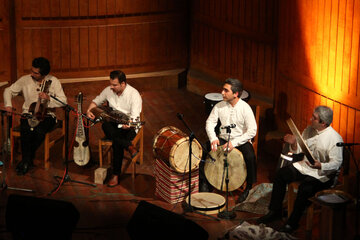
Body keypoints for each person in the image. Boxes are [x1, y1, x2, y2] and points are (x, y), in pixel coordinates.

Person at [256, 106, 343, 233]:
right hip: (306, 166)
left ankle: (292, 223)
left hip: (322, 174)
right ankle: (275, 211)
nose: (310, 119)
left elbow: (337, 163)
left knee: (305, 188)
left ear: (323, 123)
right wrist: (293, 143)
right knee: (281, 174)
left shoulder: (335, 138)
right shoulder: (309, 129)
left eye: (314, 118)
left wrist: (321, 165)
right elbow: (299, 151)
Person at [3, 57, 67, 175]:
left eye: (35, 73)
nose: (31, 74)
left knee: (39, 131)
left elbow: (63, 101)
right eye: (32, 70)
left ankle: (26, 160)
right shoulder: (24, 80)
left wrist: (48, 99)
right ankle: (27, 160)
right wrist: (8, 105)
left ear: (44, 73)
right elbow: (8, 91)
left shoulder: (54, 81)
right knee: (26, 129)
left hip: (47, 115)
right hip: (28, 113)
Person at [202, 78, 257, 203]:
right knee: (205, 149)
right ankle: (205, 182)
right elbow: (210, 123)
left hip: (240, 140)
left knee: (250, 156)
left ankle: (248, 187)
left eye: (226, 91)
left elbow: (252, 130)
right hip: (222, 138)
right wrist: (213, 138)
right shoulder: (219, 106)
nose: (222, 93)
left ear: (236, 94)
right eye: (223, 89)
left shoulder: (245, 108)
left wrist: (234, 143)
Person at [86, 70, 142, 187]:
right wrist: (89, 110)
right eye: (111, 84)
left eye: (114, 85)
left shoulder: (134, 94)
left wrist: (128, 124)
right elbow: (96, 101)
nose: (111, 87)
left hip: (129, 126)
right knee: (105, 125)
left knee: (117, 142)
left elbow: (135, 118)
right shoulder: (108, 90)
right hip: (113, 125)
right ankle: (129, 146)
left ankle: (115, 174)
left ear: (123, 84)